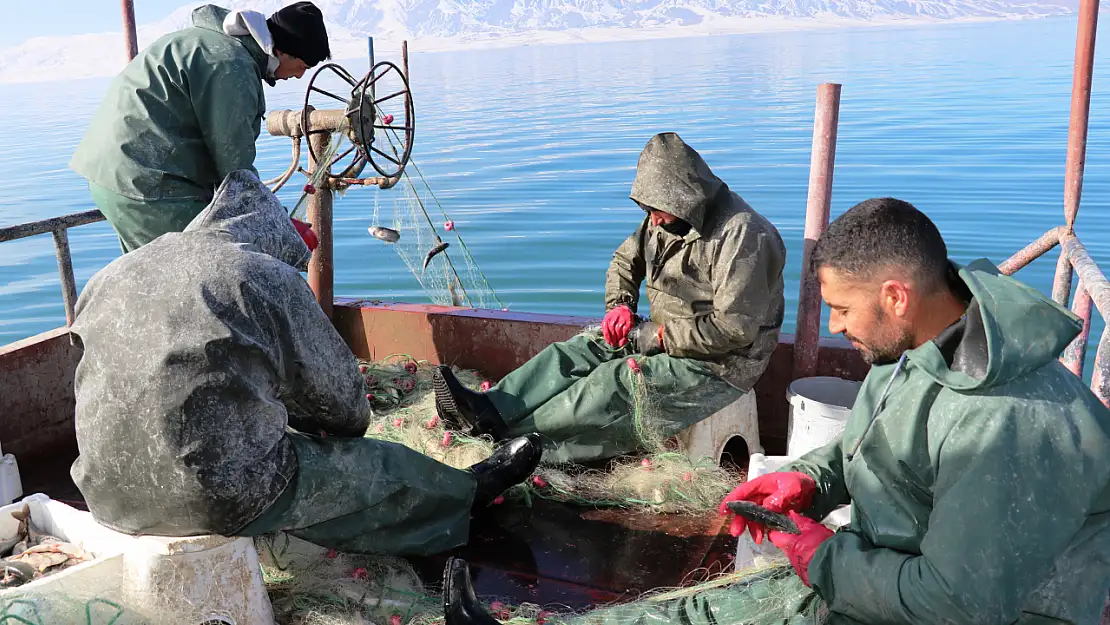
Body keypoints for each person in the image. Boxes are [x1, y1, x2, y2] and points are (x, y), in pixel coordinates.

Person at [442, 197, 1110, 624]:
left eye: (844, 310)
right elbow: (883, 446)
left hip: (966, 610)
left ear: (897, 296)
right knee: (700, 609)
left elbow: (961, 604)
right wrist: (816, 478)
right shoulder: (922, 346)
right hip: (886, 570)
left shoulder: (1013, 423)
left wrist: (823, 557)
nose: (840, 326)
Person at [68, 169, 542, 557]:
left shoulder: (114, 272)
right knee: (377, 466)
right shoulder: (264, 275)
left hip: (102, 493)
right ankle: (465, 493)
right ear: (273, 243)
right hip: (211, 497)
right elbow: (346, 413)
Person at [431, 132, 787, 464]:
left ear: (685, 196)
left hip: (721, 365)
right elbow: (625, 261)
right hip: (665, 336)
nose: (653, 220)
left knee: (615, 383)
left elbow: (733, 330)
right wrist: (620, 306)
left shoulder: (743, 235)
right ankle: (489, 409)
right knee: (580, 349)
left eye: (657, 209)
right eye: (649, 210)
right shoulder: (666, 218)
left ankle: (511, 440)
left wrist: (659, 336)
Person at [69, 2, 330, 253]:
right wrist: (277, 223)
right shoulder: (232, 65)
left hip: (114, 174)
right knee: (195, 276)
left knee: (149, 276)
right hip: (149, 185)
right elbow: (235, 168)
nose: (299, 75)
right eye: (302, 66)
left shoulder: (206, 42)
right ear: (283, 51)